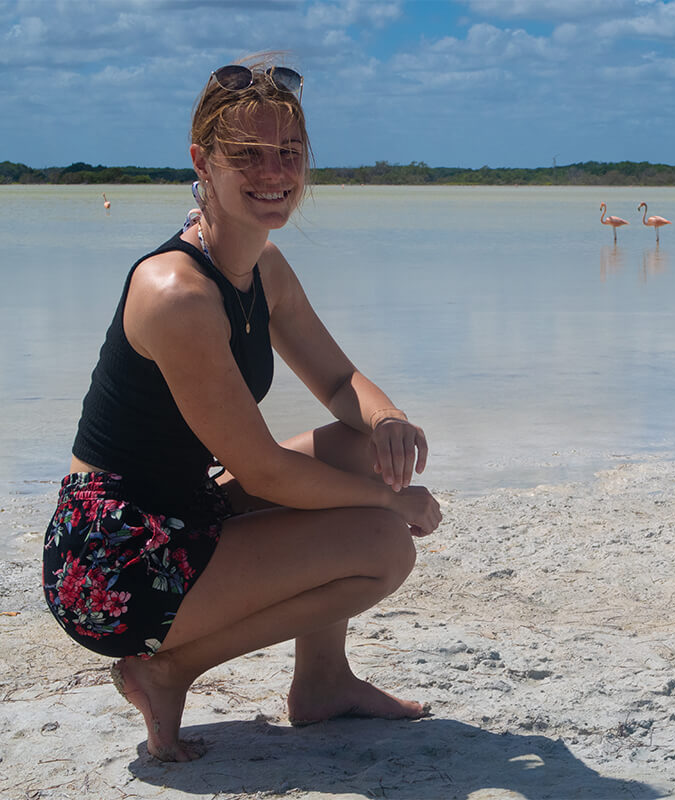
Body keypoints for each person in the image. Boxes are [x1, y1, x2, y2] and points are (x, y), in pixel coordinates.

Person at [42, 55, 442, 763]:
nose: (273, 171)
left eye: (287, 152)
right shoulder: (175, 292)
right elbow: (260, 469)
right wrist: (393, 507)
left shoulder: (265, 268)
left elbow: (339, 376)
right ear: (202, 160)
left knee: (361, 449)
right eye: (247, 155)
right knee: (383, 546)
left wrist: (386, 423)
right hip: (112, 562)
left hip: (187, 511)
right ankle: (164, 669)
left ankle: (322, 681)